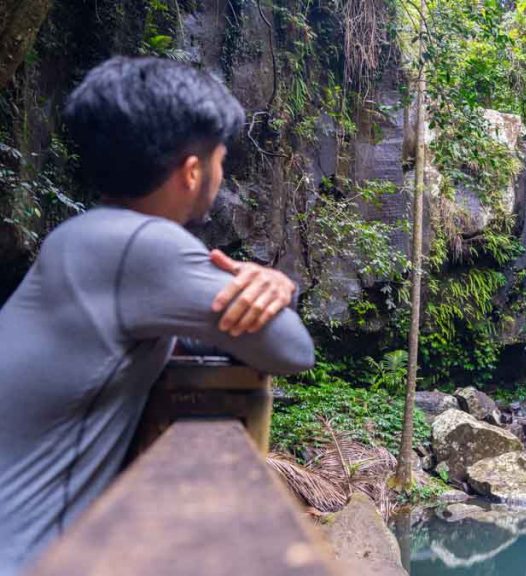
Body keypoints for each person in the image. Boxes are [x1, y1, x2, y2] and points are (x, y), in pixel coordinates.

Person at [0, 57, 315, 574]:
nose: (221, 172)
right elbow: (290, 349)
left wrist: (266, 289)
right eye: (220, 159)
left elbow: (191, 340)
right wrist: (275, 291)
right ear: (193, 172)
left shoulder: (81, 239)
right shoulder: (141, 245)